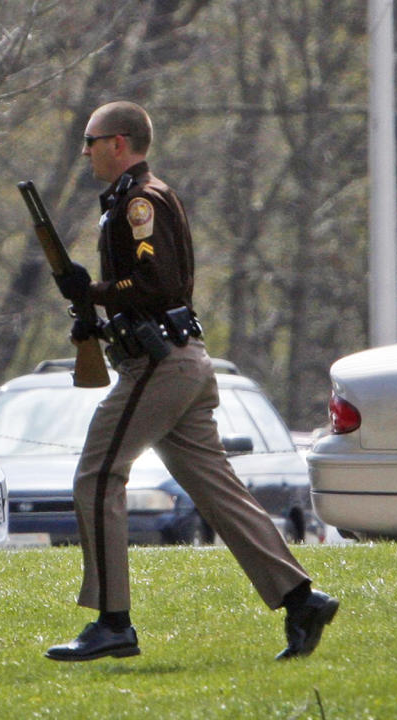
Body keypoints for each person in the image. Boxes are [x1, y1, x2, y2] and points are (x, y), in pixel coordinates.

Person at [44, 101, 339, 663]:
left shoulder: (139, 201)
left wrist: (95, 292)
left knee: (98, 474)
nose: (84, 151)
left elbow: (158, 283)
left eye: (91, 139)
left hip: (162, 364)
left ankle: (113, 623)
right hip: (176, 360)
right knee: (216, 490)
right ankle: (302, 599)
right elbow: (152, 289)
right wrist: (96, 316)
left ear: (121, 142)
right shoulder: (134, 199)